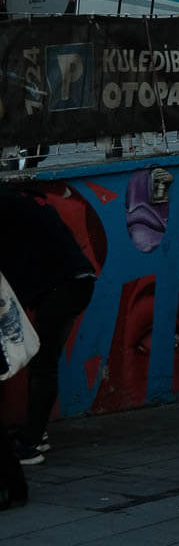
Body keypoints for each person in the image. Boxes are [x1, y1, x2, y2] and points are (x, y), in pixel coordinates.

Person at [0, 185, 97, 468]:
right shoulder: (16, 200)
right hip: (74, 281)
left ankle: (30, 445)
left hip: (63, 286)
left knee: (43, 362)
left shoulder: (7, 205)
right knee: (43, 359)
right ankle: (35, 432)